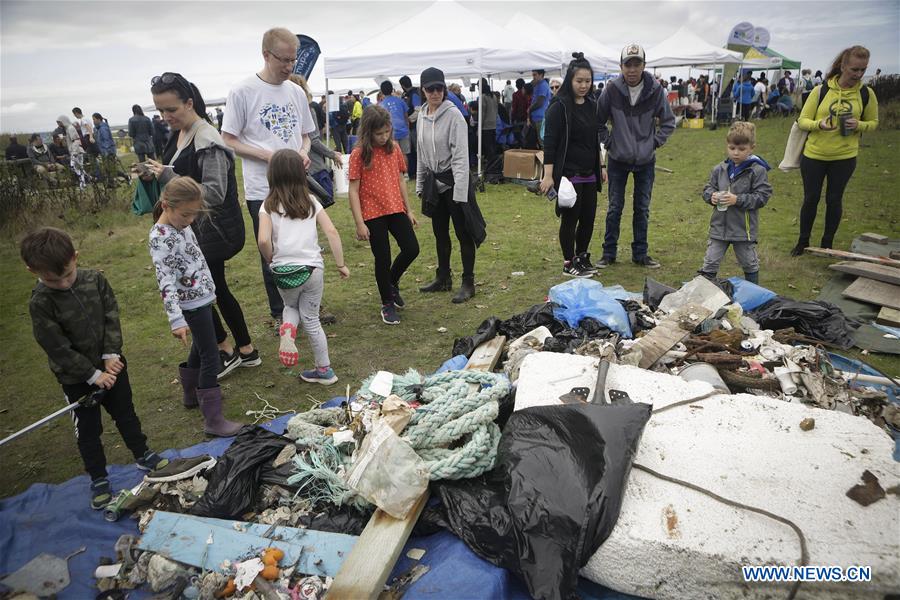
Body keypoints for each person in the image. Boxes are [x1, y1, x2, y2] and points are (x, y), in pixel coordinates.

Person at [22, 227, 169, 509]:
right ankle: (99, 477)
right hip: (77, 379)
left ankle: (142, 453)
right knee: (88, 430)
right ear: (34, 272)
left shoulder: (95, 280)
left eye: (67, 274)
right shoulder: (41, 302)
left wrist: (111, 354)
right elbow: (56, 347)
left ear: (75, 257)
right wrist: (92, 375)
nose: (64, 284)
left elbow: (111, 315)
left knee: (126, 413)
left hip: (112, 366)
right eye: (54, 280)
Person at [147, 72, 259, 376]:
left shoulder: (207, 139)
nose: (165, 116)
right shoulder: (180, 132)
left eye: (171, 109)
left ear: (189, 102)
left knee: (206, 290)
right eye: (160, 110)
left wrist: (166, 176)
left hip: (215, 230)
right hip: (194, 229)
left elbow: (214, 192)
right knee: (215, 288)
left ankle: (227, 350)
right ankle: (244, 350)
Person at [221, 27, 316, 333]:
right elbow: (228, 140)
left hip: (296, 185)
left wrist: (301, 151)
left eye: (293, 59)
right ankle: (281, 312)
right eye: (284, 60)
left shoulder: (296, 92)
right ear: (266, 55)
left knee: (302, 246)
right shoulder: (242, 91)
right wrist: (267, 156)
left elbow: (305, 135)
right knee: (272, 251)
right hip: (262, 188)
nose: (290, 66)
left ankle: (306, 305)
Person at [149, 177, 244, 436]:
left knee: (201, 346)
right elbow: (165, 281)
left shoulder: (181, 226)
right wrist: (176, 319)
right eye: (186, 215)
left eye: (193, 214)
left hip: (202, 297)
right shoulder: (160, 238)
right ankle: (213, 419)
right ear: (167, 205)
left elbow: (194, 259)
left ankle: (192, 394)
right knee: (211, 356)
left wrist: (209, 289)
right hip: (190, 305)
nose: (190, 220)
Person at [257, 149, 349, 383]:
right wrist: (341, 264)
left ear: (272, 175)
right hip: (312, 270)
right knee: (311, 318)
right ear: (301, 174)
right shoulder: (311, 202)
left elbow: (263, 240)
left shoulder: (267, 206)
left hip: (284, 271)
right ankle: (324, 370)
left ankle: (287, 328)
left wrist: (270, 259)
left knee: (290, 306)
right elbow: (331, 231)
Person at [791, 45, 879, 255]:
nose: (858, 75)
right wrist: (818, 124)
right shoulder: (820, 91)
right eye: (854, 69)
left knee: (834, 199)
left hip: (845, 157)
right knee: (811, 198)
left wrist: (859, 125)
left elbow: (874, 122)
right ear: (843, 66)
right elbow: (802, 120)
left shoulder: (866, 94)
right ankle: (803, 243)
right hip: (814, 155)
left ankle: (827, 245)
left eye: (862, 70)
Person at [596, 43, 675, 269]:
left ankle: (640, 254)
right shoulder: (610, 90)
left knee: (642, 208)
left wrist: (654, 143)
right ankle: (608, 253)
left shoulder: (656, 90)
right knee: (614, 207)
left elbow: (668, 122)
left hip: (645, 161)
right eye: (627, 64)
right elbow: (598, 121)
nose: (632, 69)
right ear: (621, 66)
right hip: (617, 160)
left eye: (636, 64)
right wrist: (609, 142)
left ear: (644, 65)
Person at [416, 67, 484, 303]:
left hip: (455, 182)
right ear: (423, 90)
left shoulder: (455, 116)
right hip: (434, 184)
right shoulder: (422, 116)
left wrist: (460, 192)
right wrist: (421, 184)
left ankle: (468, 281)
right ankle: (443, 276)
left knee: (463, 233)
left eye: (439, 88)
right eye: (430, 89)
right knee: (439, 233)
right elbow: (421, 153)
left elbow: (461, 157)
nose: (435, 93)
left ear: (444, 89)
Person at [348, 105, 420, 325]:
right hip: (372, 211)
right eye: (379, 133)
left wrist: (409, 210)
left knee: (411, 248)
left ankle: (391, 282)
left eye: (386, 132)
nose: (383, 137)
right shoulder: (359, 153)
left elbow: (400, 180)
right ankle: (387, 303)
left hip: (395, 207)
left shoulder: (394, 148)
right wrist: (360, 223)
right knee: (383, 258)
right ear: (368, 132)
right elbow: (353, 190)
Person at [540, 53, 606, 278]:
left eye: (588, 81)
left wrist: (602, 166)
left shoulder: (592, 105)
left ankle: (582, 256)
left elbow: (595, 139)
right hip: (568, 175)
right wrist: (548, 176)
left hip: (590, 172)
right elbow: (550, 143)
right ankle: (569, 262)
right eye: (579, 81)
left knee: (588, 218)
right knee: (570, 219)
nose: (584, 85)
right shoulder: (559, 106)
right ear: (570, 80)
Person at [698, 122, 772, 284]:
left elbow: (762, 196)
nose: (736, 153)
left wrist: (737, 199)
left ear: (752, 148)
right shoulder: (720, 169)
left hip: (743, 231)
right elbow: (707, 188)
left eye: (741, 149)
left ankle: (753, 293)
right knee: (710, 262)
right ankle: (703, 294)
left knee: (749, 263)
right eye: (732, 148)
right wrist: (712, 196)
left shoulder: (757, 170)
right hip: (719, 228)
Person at [379, 80, 411, 158]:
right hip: (404, 132)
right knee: (404, 155)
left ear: (382, 91)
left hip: (390, 135)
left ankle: (396, 171)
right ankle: (406, 171)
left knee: (394, 156)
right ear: (392, 89)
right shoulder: (400, 101)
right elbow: (406, 117)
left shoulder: (380, 105)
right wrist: (407, 128)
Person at [399, 75, 422, 175]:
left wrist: (409, 119)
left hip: (415, 126)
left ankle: (418, 172)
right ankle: (412, 172)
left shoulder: (414, 94)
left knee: (417, 150)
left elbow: (418, 109)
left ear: (403, 85)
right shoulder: (407, 94)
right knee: (411, 150)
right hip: (410, 127)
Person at [477, 78, 498, 169]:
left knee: (488, 147)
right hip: (493, 124)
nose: (477, 88)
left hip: (485, 126)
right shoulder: (493, 96)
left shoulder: (482, 97)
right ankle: (494, 164)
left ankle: (491, 166)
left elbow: (482, 114)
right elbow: (496, 110)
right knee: (492, 146)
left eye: (478, 86)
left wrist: (479, 127)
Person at [528, 69, 551, 145]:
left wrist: (530, 109)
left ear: (541, 75)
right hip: (537, 118)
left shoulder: (543, 85)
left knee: (542, 143)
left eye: (535, 75)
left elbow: (540, 102)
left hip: (540, 118)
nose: (533, 77)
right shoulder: (538, 85)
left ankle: (545, 157)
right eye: (533, 75)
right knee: (538, 142)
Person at [510, 78, 529, 147]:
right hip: (527, 118)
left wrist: (512, 118)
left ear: (517, 85)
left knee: (518, 137)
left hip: (518, 119)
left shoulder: (515, 95)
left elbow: (514, 108)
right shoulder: (528, 93)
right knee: (525, 136)